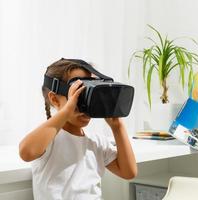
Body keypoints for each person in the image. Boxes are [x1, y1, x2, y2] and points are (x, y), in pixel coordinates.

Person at [19, 58, 137, 200]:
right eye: (79, 96)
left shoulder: (97, 142)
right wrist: (67, 111)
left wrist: (117, 127)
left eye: (89, 95)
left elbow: (128, 172)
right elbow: (26, 152)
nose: (85, 105)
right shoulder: (49, 140)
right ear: (55, 100)